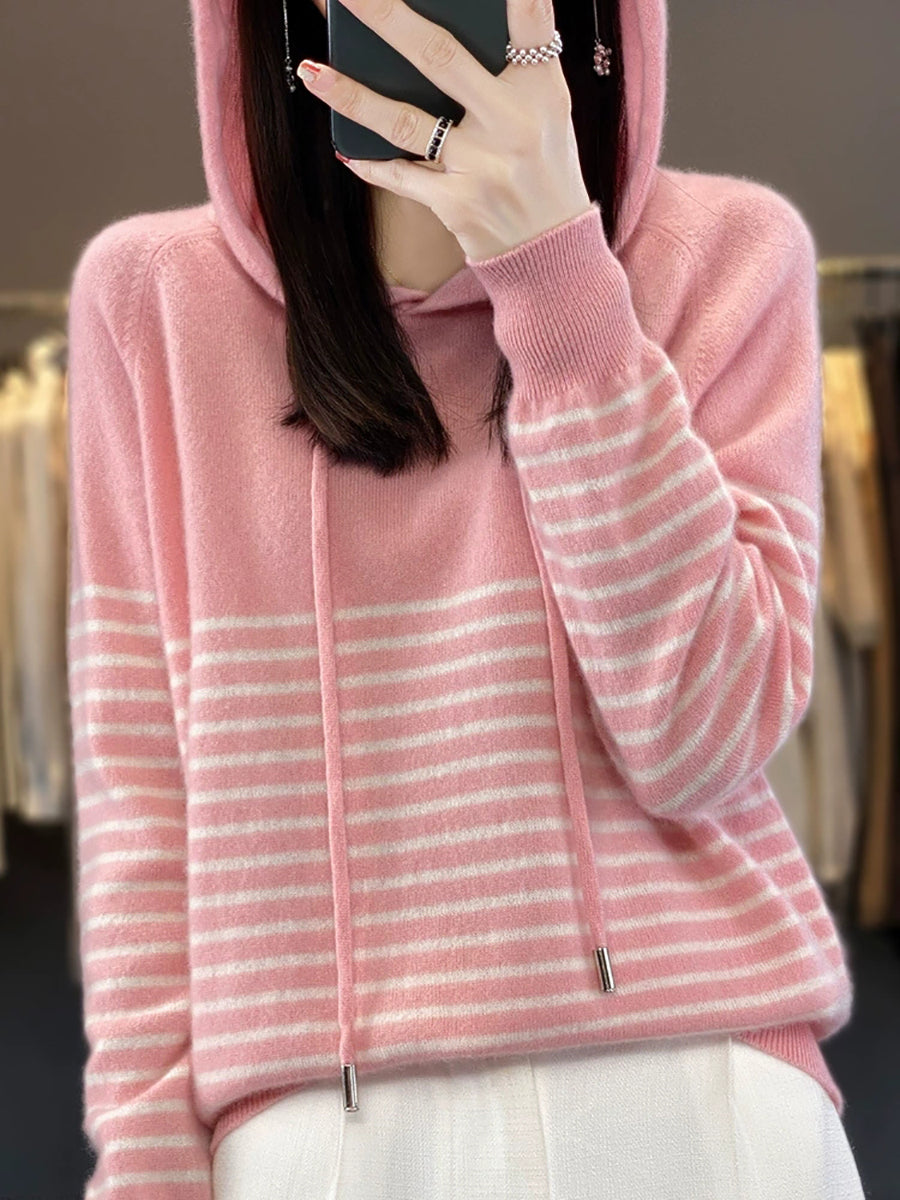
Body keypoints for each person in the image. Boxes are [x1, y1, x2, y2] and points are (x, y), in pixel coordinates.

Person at [65, 0, 868, 1196]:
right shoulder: (151, 302)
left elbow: (704, 738)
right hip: (320, 1128)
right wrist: (145, 1164)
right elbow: (142, 803)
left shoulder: (730, 256)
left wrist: (558, 276)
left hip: (698, 1088)